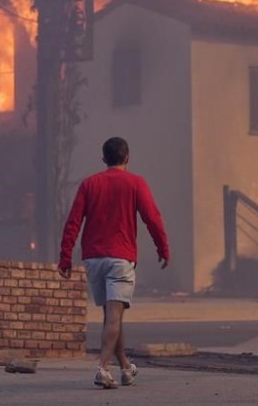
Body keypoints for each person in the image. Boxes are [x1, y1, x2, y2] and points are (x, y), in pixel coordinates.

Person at [58, 136, 170, 389]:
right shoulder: (136, 183)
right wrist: (162, 247)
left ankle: (126, 368)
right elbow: (152, 218)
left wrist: (65, 257)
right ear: (127, 158)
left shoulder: (89, 184)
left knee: (112, 315)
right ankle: (103, 368)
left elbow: (73, 222)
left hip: (94, 259)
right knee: (113, 317)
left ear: (103, 158)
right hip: (121, 257)